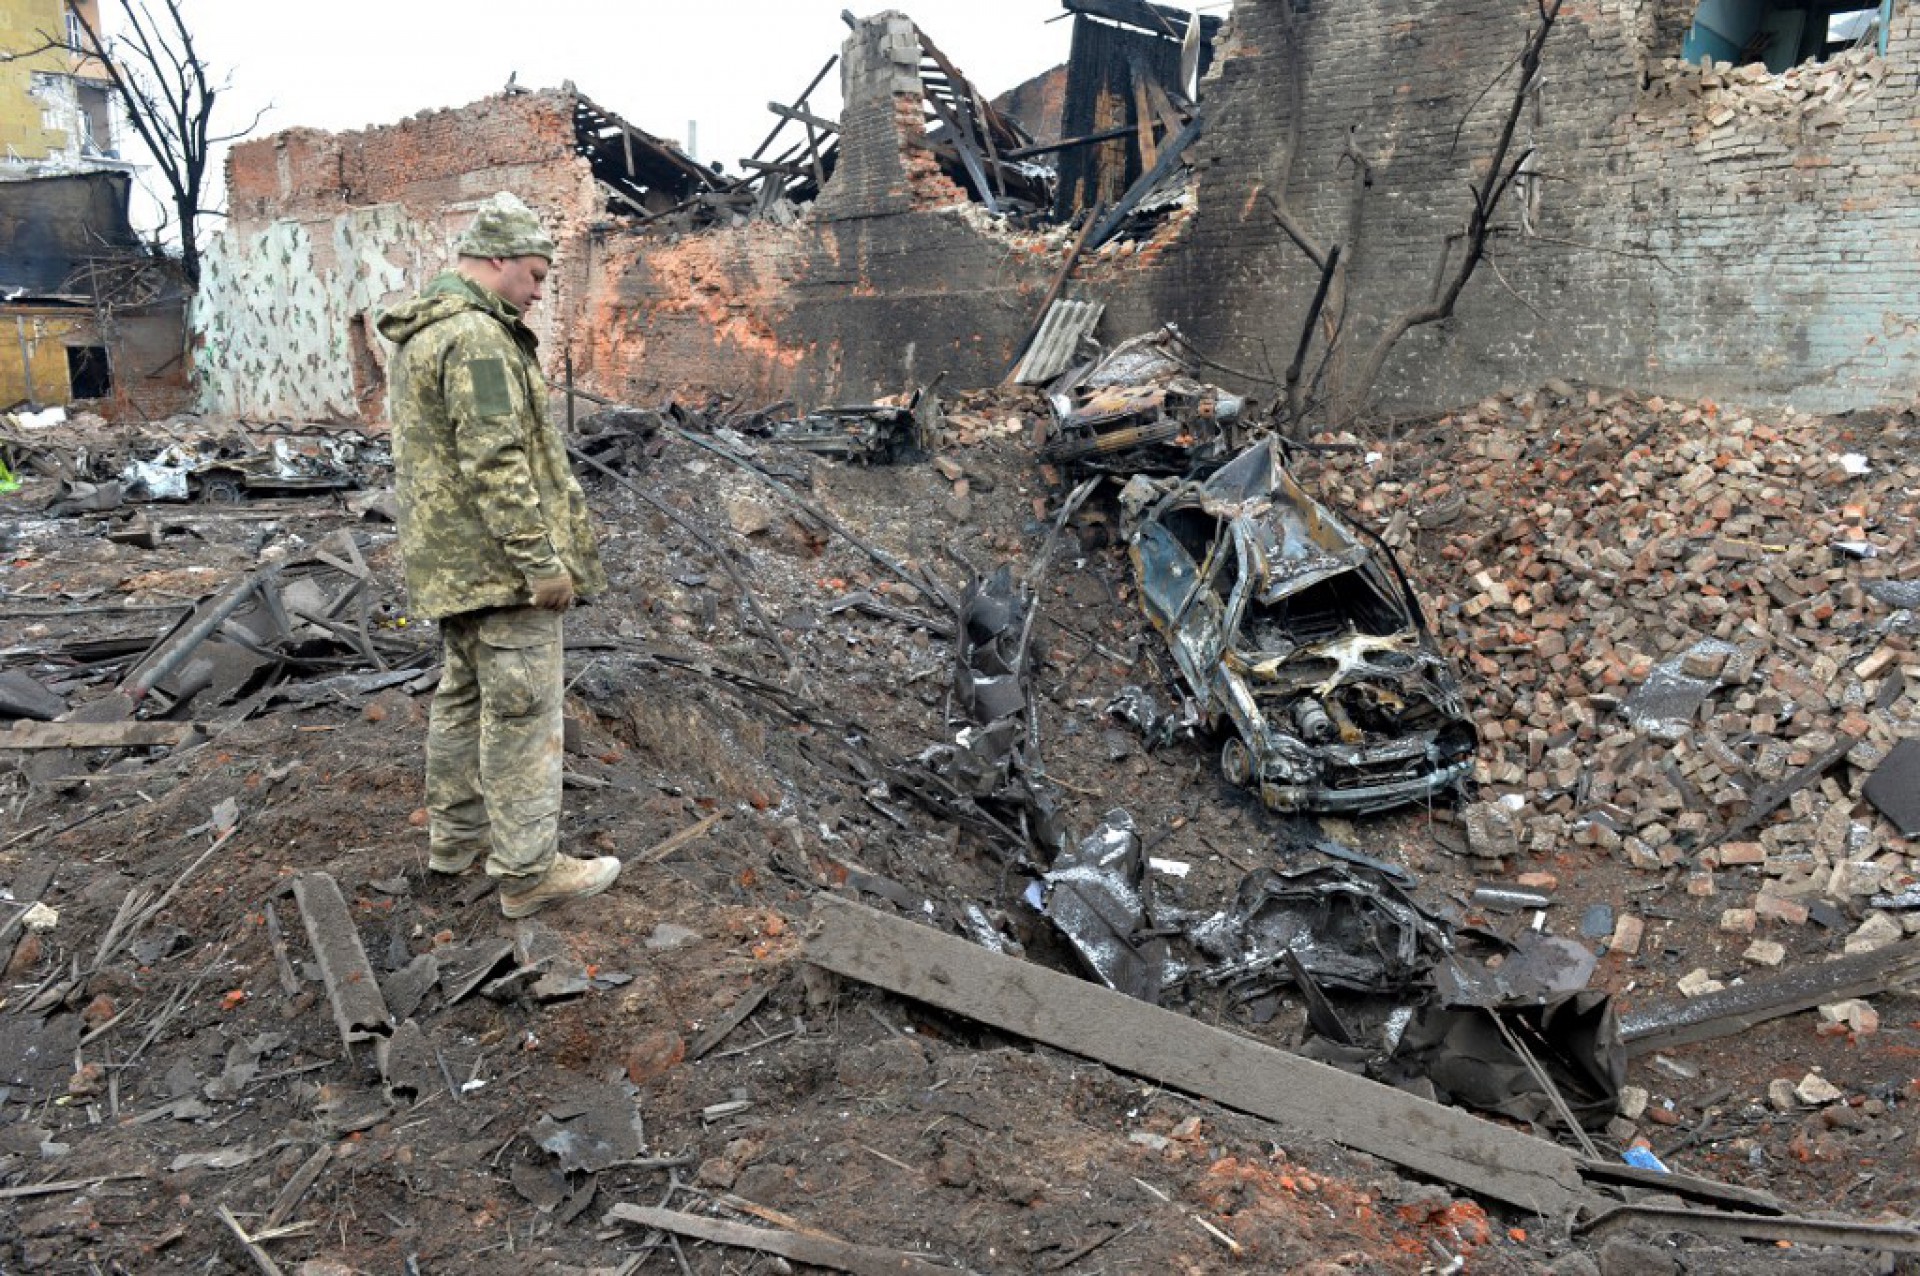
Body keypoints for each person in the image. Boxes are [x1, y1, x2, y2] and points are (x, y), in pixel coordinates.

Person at [378, 192, 620, 918]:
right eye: (536, 275)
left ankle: (454, 847)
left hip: (452, 569)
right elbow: (495, 458)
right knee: (522, 712)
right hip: (499, 571)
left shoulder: (426, 331)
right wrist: (540, 560)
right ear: (496, 261)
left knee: (463, 702)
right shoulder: (479, 341)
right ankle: (526, 873)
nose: (541, 292)